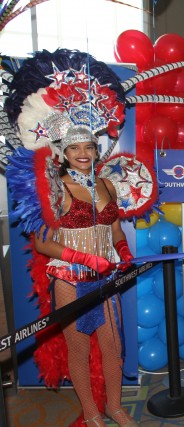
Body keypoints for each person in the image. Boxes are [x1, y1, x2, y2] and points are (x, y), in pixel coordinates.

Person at [34, 126, 137, 427]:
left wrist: (123, 251)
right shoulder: (56, 190)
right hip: (69, 278)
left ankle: (115, 407)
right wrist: (83, 258)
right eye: (74, 148)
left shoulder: (108, 185)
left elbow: (115, 229)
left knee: (114, 348)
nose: (82, 154)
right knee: (78, 350)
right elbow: (42, 242)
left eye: (88, 147)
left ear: (96, 150)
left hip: (105, 279)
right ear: (64, 153)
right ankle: (92, 413)